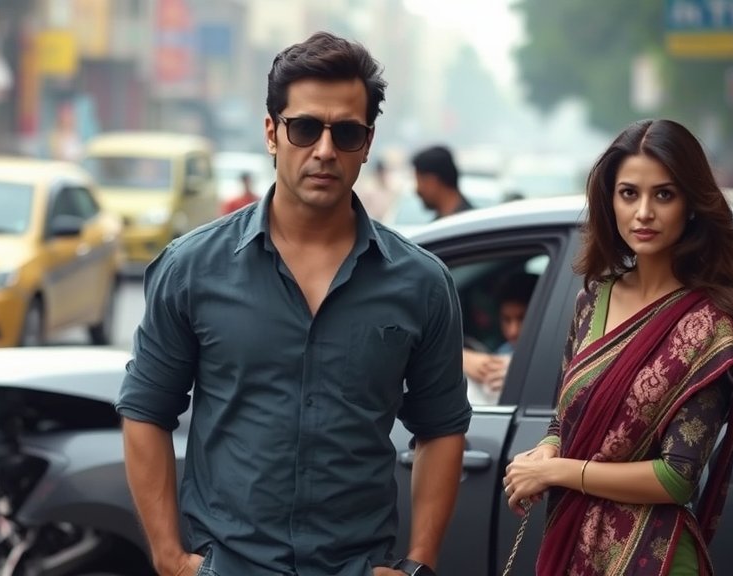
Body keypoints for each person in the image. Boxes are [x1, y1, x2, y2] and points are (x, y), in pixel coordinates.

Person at [117, 31, 471, 576]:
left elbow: (441, 427)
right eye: (305, 127)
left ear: (368, 143)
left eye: (346, 132)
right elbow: (146, 410)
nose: (324, 150)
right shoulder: (191, 269)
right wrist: (170, 559)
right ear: (272, 133)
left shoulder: (422, 284)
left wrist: (418, 565)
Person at [502, 119, 733, 576]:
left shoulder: (712, 326)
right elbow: (565, 418)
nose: (644, 212)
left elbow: (676, 478)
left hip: (656, 557)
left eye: (664, 195)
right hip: (574, 545)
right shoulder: (593, 299)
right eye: (629, 193)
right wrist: (547, 451)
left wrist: (558, 473)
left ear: (691, 204)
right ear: (610, 200)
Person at [463, 273, 537, 404]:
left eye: (522, 318)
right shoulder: (505, 350)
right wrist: (463, 358)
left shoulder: (560, 357)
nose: (513, 331)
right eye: (506, 319)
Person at [411, 145, 473, 219]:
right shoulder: (439, 225)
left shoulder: (472, 225)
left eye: (419, 181)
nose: (417, 190)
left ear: (432, 182)